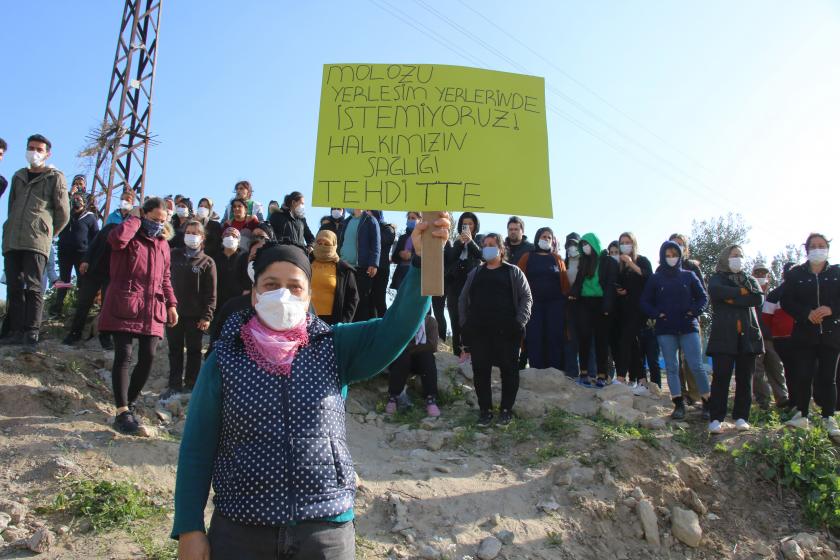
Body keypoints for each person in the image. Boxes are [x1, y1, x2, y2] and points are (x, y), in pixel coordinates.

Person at [171, 214, 450, 560]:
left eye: (295, 286)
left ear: (308, 297)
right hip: (241, 530)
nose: (282, 294)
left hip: (325, 530)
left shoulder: (334, 346)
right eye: (271, 285)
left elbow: (397, 327)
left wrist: (423, 262)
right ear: (255, 295)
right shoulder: (225, 358)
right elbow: (197, 446)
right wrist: (189, 527)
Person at [98, 197, 178, 434]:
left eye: (162, 221)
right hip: (126, 302)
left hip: (153, 308)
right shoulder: (128, 231)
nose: (157, 225)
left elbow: (165, 277)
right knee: (123, 355)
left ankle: (130, 402)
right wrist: (133, 218)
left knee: (149, 356)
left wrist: (172, 304)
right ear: (143, 214)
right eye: (153, 219)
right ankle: (122, 410)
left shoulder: (163, 244)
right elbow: (117, 240)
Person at [1, 134, 70, 347]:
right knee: (14, 287)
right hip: (13, 239)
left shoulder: (55, 177)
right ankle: (14, 330)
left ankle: (32, 330)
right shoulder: (18, 176)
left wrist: (47, 232)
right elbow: (12, 206)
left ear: (47, 153)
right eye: (31, 148)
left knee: (33, 287)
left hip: (37, 241)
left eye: (39, 149)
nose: (34, 152)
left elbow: (63, 213)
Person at [459, 234, 532, 426]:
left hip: (507, 331)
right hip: (479, 331)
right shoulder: (475, 273)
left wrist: (519, 323)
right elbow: (462, 299)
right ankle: (485, 411)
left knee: (509, 371)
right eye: (484, 245)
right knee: (480, 370)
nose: (487, 248)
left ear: (501, 249)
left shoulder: (513, 272)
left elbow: (526, 298)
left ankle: (506, 410)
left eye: (492, 245)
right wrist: (465, 324)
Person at [640, 241, 711, 420]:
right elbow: (645, 301)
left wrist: (694, 311)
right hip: (666, 329)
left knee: (696, 365)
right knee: (672, 367)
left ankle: (707, 403)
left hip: (689, 327)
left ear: (680, 255)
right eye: (668, 255)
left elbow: (703, 297)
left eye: (674, 254)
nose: (671, 258)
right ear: (663, 256)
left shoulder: (689, 276)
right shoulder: (656, 278)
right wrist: (657, 314)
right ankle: (678, 404)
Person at [781, 233, 840, 438]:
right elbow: (786, 301)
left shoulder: (837, 272)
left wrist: (831, 309)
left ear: (827, 248)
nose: (817, 248)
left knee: (828, 378)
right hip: (804, 334)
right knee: (803, 375)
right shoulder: (796, 274)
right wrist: (806, 313)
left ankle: (828, 417)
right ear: (806, 250)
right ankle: (802, 415)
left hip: (831, 334)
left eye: (821, 245)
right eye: (813, 246)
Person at [706, 245, 765, 433]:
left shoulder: (750, 279)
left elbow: (757, 299)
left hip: (748, 336)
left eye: (740, 255)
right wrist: (741, 292)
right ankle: (716, 418)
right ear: (725, 257)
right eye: (733, 255)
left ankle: (741, 417)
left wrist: (731, 298)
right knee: (721, 378)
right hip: (724, 335)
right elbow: (716, 292)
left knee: (744, 378)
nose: (737, 258)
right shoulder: (717, 279)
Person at [161, 221, 217, 404]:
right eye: (189, 232)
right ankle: (174, 385)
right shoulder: (173, 255)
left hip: (196, 316)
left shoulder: (207, 262)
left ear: (202, 238)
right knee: (175, 350)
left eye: (196, 233)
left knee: (194, 350)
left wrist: (206, 316)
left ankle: (191, 384)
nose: (192, 235)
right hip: (173, 313)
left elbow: (211, 293)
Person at [568, 233, 618, 387]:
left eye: (587, 244)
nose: (584, 247)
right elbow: (578, 282)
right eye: (582, 245)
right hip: (584, 303)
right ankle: (583, 374)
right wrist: (573, 294)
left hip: (601, 303)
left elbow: (610, 284)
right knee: (584, 338)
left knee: (601, 341)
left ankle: (601, 375)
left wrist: (607, 305)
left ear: (594, 244)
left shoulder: (607, 261)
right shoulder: (583, 261)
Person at [517, 227, 569, 370]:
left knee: (554, 336)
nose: (546, 239)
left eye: (549, 238)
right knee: (534, 336)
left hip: (555, 305)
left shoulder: (557, 258)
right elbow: (519, 280)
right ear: (537, 238)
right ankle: (536, 369)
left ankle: (555, 370)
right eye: (543, 236)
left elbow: (564, 283)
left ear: (553, 241)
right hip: (534, 305)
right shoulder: (527, 257)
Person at [62, 218, 119, 350]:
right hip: (94, 270)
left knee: (107, 306)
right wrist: (86, 260)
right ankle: (74, 334)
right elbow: (94, 244)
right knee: (83, 303)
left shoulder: (132, 233)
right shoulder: (109, 227)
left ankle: (105, 337)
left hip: (112, 275)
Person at [669, 233, 705, 405]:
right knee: (674, 360)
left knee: (692, 359)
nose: (678, 247)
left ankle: (696, 394)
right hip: (670, 321)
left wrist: (694, 312)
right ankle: (680, 393)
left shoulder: (692, 267)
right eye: (674, 244)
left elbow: (703, 295)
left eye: (681, 244)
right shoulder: (662, 269)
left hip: (690, 320)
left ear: (686, 248)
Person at [51, 192, 100, 317]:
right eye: (74, 199)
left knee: (82, 281)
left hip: (81, 254)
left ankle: (80, 308)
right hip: (64, 253)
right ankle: (57, 308)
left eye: (78, 199)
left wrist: (91, 256)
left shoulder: (90, 217)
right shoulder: (67, 215)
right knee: (64, 280)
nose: (76, 201)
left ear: (84, 202)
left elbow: (96, 238)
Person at [614, 232, 653, 388]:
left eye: (628, 242)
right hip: (625, 310)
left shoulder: (642, 260)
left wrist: (631, 263)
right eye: (622, 242)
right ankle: (642, 380)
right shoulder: (620, 265)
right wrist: (621, 290)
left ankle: (622, 377)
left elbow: (649, 277)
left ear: (634, 243)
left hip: (640, 310)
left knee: (625, 340)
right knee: (633, 344)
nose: (625, 245)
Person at [385, 314, 441, 417]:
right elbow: (397, 344)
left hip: (420, 360)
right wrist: (418, 346)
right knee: (402, 356)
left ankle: (431, 399)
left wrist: (408, 348)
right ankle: (393, 396)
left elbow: (432, 345)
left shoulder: (430, 322)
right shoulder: (402, 319)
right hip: (403, 360)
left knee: (427, 357)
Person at [750, 262, 789, 409]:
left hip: (771, 339)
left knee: (777, 369)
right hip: (754, 339)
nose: (761, 276)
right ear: (752, 275)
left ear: (768, 277)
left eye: (763, 274)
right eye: (757, 273)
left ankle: (782, 399)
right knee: (757, 372)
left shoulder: (773, 296)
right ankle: (763, 402)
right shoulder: (749, 296)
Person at [445, 211, 483, 362]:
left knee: (470, 321)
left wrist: (470, 242)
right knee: (455, 321)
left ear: (475, 226)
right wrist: (460, 244)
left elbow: (482, 256)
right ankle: (456, 355)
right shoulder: (456, 241)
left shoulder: (480, 240)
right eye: (464, 224)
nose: (466, 227)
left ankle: (471, 355)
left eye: (470, 224)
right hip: (455, 286)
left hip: (472, 287)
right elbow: (450, 259)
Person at [763, 263, 797, 410]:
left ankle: (803, 403)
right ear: (783, 275)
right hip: (781, 340)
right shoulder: (775, 294)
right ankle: (793, 403)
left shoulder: (807, 293)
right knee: (788, 371)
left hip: (803, 339)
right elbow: (766, 318)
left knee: (803, 371)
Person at [338, 209, 381, 321]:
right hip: (344, 267)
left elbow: (376, 243)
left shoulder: (370, 220)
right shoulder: (346, 221)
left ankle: (360, 330)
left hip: (362, 268)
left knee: (361, 302)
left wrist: (374, 263)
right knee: (345, 301)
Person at [310, 229, 359, 325]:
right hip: (306, 319)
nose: (322, 246)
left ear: (334, 245)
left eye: (327, 244)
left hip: (332, 322)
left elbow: (353, 299)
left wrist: (344, 323)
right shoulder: (305, 263)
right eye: (319, 243)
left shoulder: (344, 269)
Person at [213, 227, 246, 313]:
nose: (230, 237)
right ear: (222, 238)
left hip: (237, 301)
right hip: (218, 301)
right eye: (227, 235)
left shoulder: (244, 257)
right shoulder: (214, 258)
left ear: (238, 240)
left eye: (234, 236)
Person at [370, 210, 396, 318]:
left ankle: (383, 324)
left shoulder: (387, 229)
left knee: (379, 300)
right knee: (368, 301)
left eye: (369, 211)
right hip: (368, 267)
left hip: (381, 268)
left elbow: (381, 241)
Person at [391, 212, 420, 291]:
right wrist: (400, 254)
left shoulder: (423, 238)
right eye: (408, 218)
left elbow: (425, 257)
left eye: (413, 218)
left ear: (420, 220)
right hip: (401, 275)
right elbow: (394, 258)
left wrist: (412, 256)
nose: (410, 220)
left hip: (415, 275)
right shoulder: (402, 237)